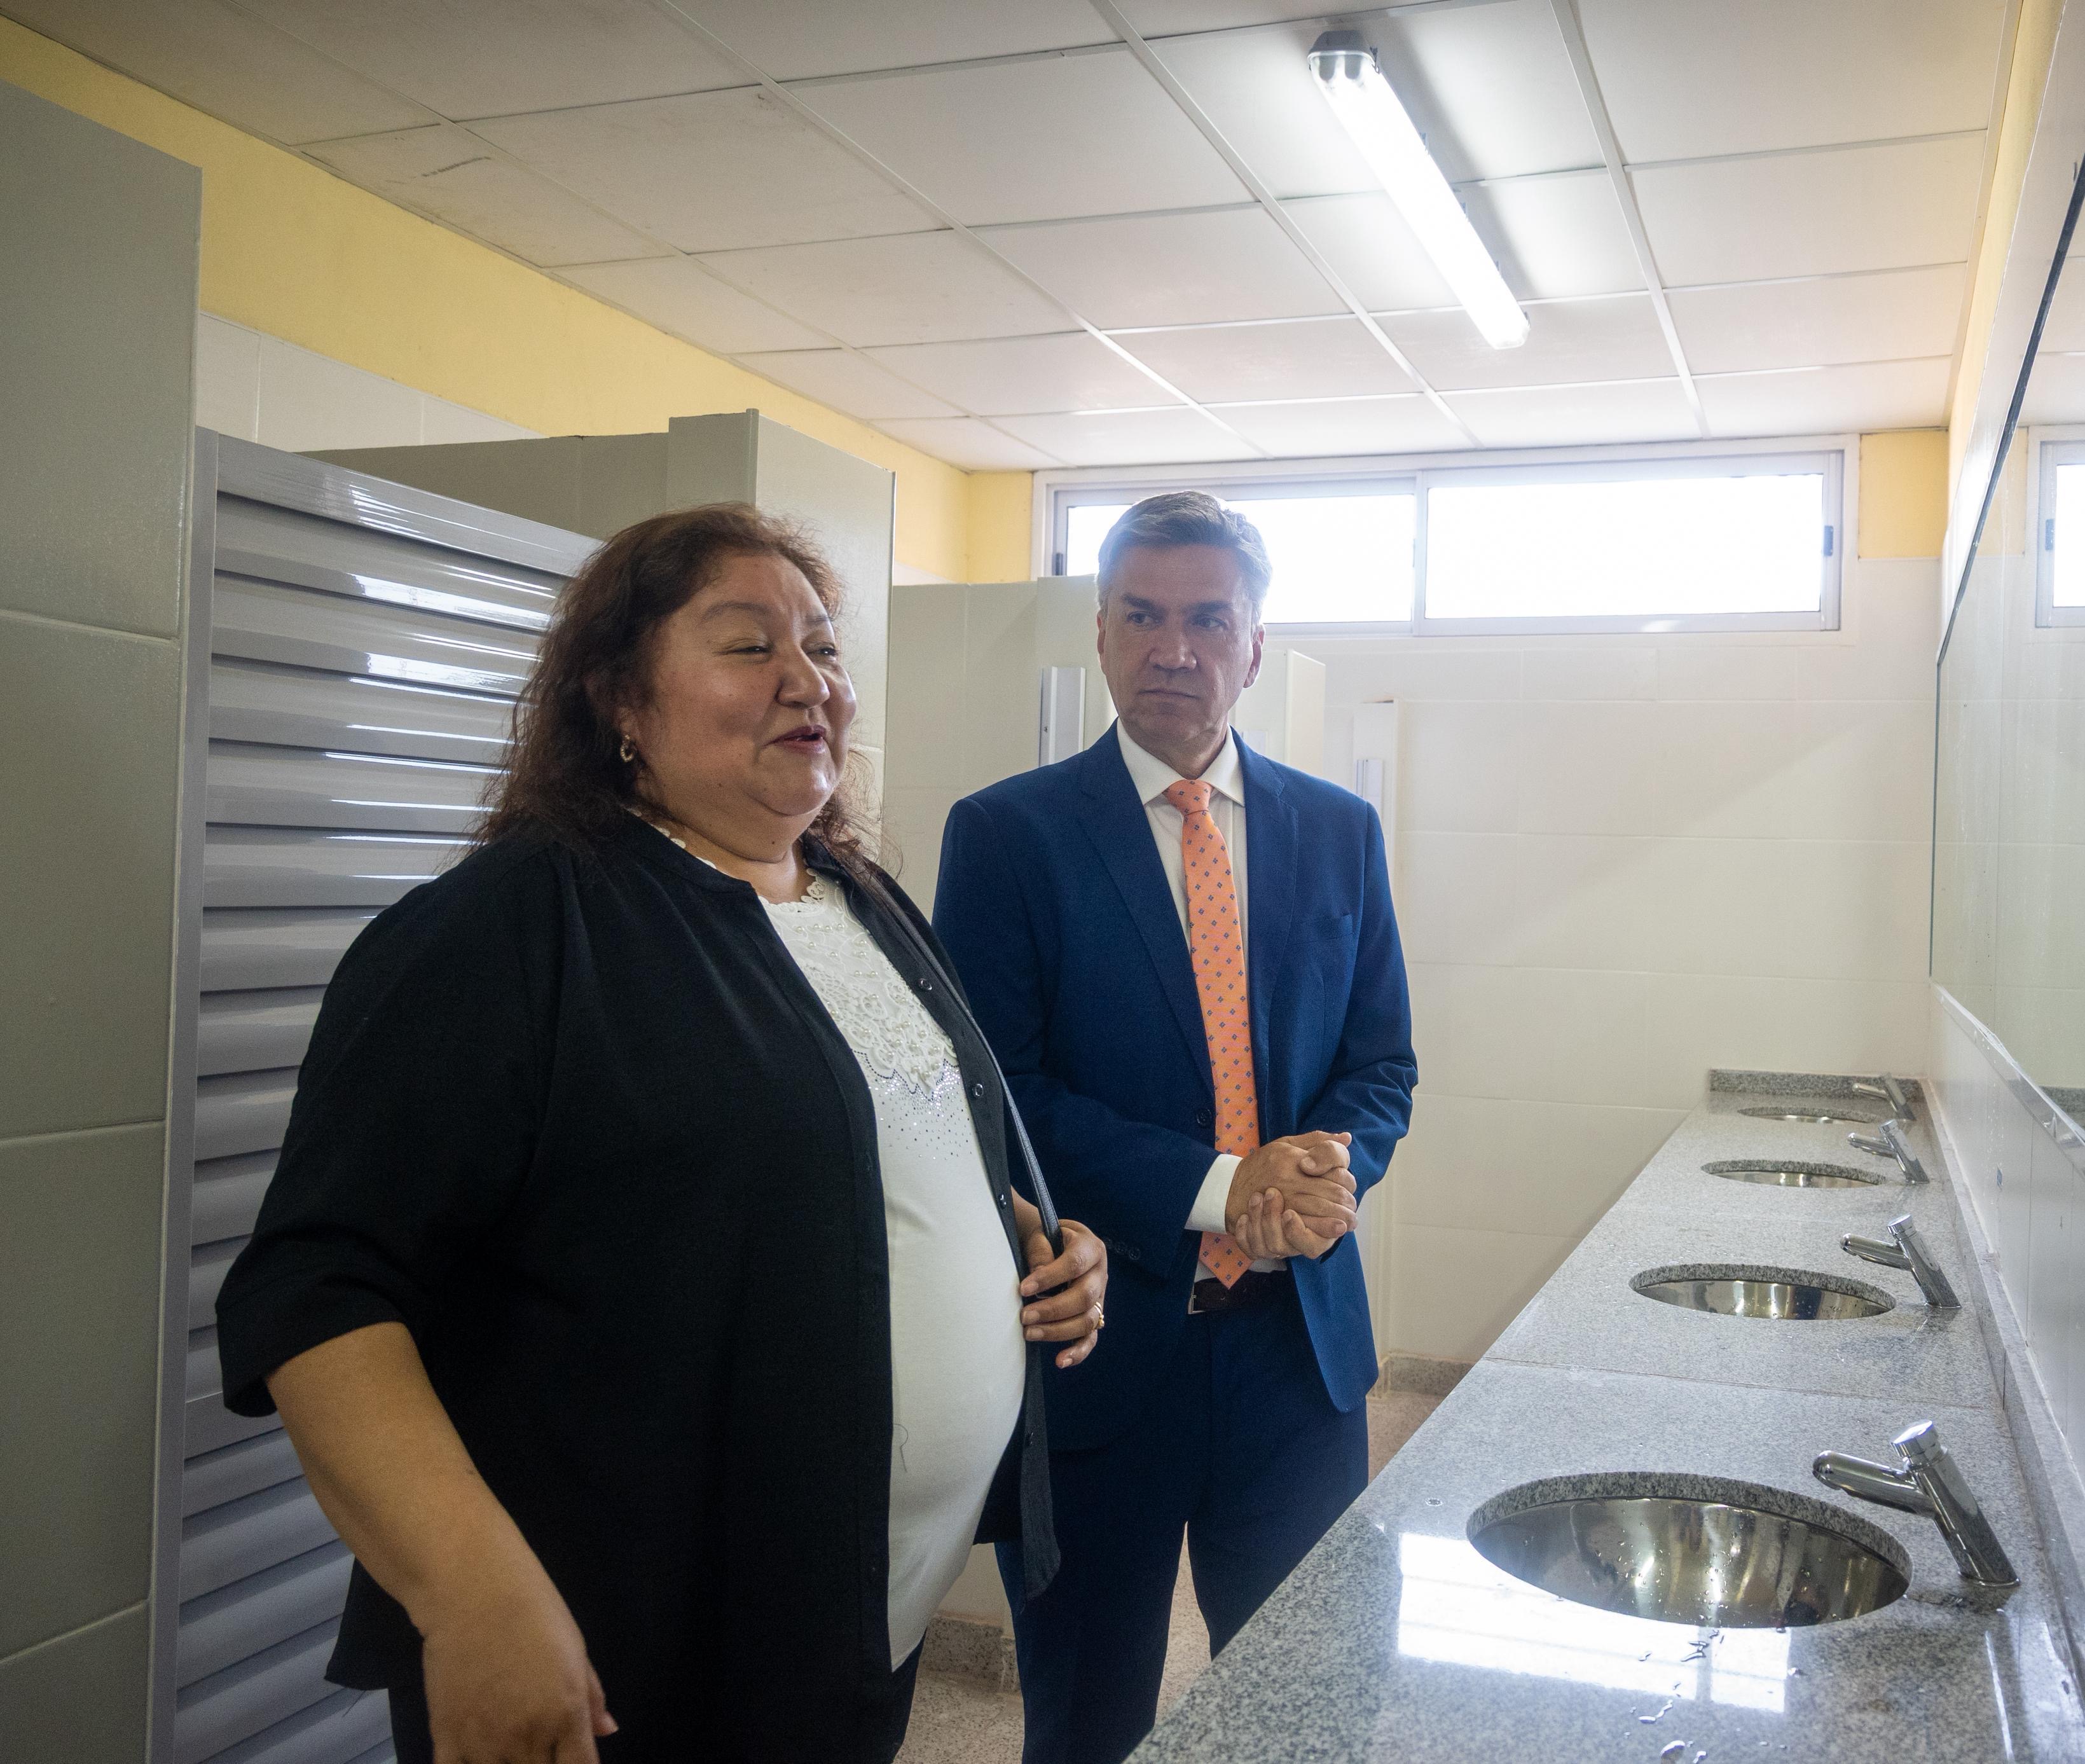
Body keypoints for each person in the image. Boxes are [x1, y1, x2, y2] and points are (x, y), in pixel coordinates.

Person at [216, 503, 1108, 1764]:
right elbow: (318, 1288)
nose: (808, 680)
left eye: (824, 646)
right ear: (618, 701)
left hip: (856, 1622)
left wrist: (1024, 1241)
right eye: (749, 646)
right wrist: (466, 1593)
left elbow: (850, 1148)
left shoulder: (861, 898)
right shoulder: (513, 927)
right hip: (626, 1653)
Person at [932, 491, 1417, 1764]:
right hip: (1101, 1362)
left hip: (1296, 1361)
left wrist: (1325, 1168)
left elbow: (1381, 1064)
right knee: (1089, 1724)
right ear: (1100, 633)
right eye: (1142, 616)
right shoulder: (1007, 836)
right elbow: (998, 1092)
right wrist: (1219, 1185)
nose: (1174, 649)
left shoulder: (1339, 832)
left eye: (1208, 619)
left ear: (1255, 645)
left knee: (1304, 1717)